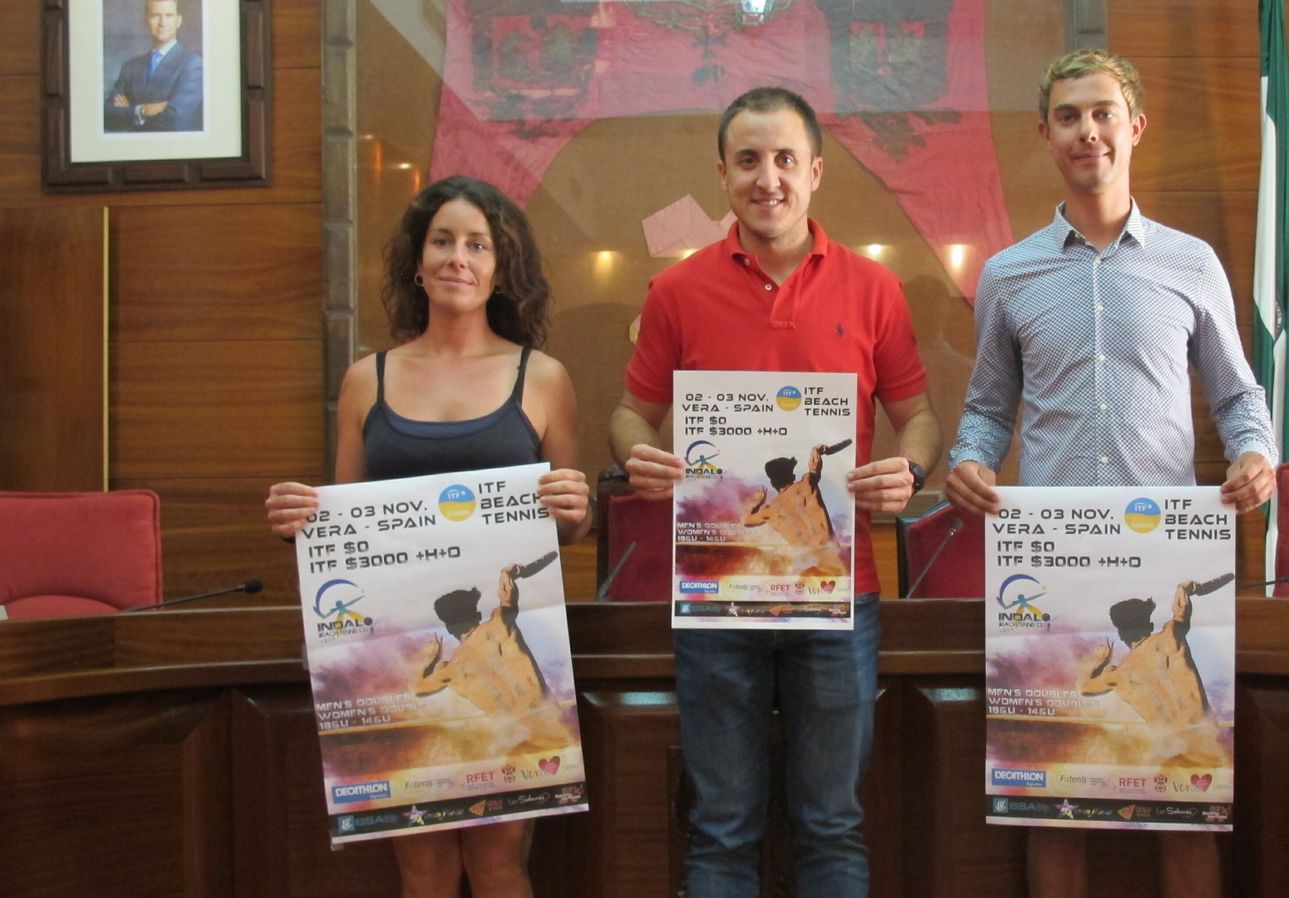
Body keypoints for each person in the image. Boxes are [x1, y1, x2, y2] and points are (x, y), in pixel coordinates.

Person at [944, 50, 1278, 898]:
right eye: (1067, 116)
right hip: (1048, 564)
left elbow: (1239, 398)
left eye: (1101, 112)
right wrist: (970, 461)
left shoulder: (1191, 263)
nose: (1086, 130)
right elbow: (987, 407)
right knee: (1055, 793)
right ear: (1046, 134)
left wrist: (1255, 454)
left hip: (1168, 560)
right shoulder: (1009, 274)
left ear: (1134, 126)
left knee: (1182, 794)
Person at [607, 86, 941, 898]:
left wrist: (912, 471)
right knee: (721, 832)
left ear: (816, 172)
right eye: (749, 160)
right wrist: (640, 454)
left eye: (785, 159)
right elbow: (627, 414)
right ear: (722, 174)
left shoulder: (874, 289)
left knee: (833, 827)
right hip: (717, 600)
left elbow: (920, 417)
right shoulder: (676, 292)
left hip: (841, 598)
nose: (769, 178)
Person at [265, 175, 590, 898]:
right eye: (443, 240)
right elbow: (342, 523)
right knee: (422, 867)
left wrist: (574, 505)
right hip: (394, 652)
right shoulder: (365, 380)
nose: (458, 257)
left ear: (501, 267)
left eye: (478, 244)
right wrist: (300, 521)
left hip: (511, 666)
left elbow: (569, 527)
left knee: (501, 863)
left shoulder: (544, 379)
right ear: (418, 259)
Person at [1082, 580, 1229, 768]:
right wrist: (1184, 588)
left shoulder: (1117, 675)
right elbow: (1181, 608)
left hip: (1168, 749)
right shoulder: (1171, 636)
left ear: (1120, 634)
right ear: (1150, 625)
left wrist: (1100, 661)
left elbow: (1085, 687)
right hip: (1204, 738)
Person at [416, 555, 560, 717]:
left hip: (526, 737)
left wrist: (429, 659)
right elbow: (508, 594)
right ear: (477, 615)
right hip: (556, 723)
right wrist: (507, 573)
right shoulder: (500, 624)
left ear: (448, 628)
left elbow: (418, 688)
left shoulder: (451, 670)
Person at [743, 440, 852, 576]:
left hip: (805, 565)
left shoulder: (769, 511)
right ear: (792, 476)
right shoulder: (807, 484)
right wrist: (817, 450)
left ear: (772, 483)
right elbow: (814, 463)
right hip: (831, 557)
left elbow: (746, 521)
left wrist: (758, 502)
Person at [105, 0, 203, 132]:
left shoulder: (193, 65)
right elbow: (107, 116)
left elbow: (174, 121)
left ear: (178, 21)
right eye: (155, 15)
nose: (162, 23)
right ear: (145, 20)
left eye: (168, 15)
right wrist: (144, 110)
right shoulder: (130, 67)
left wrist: (131, 113)